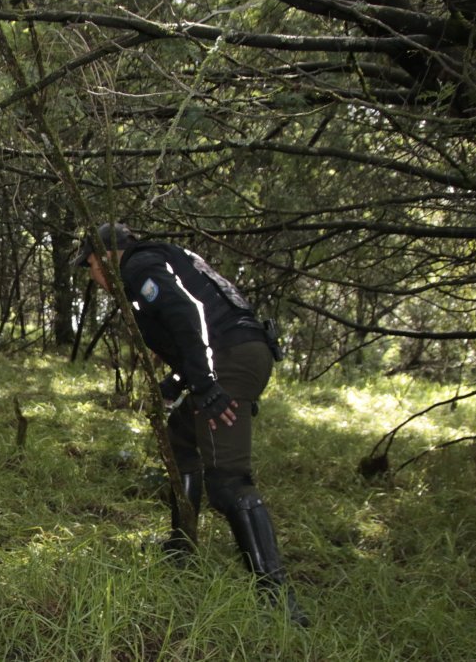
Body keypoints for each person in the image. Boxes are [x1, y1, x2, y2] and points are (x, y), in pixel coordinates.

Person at [73, 222, 308, 626]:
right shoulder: (161, 257)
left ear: (110, 253)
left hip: (230, 360)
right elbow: (198, 323)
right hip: (240, 353)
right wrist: (179, 380)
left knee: (228, 480)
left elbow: (189, 313)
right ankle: (182, 546)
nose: (95, 277)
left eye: (93, 265)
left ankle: (278, 600)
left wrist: (206, 385)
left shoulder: (138, 265)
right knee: (179, 436)